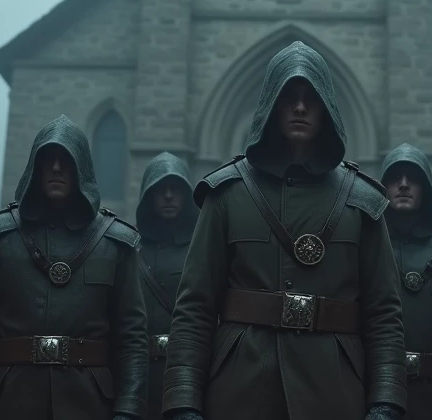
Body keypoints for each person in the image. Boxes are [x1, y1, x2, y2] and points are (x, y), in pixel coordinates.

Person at [161, 41, 407, 420]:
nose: (300, 107)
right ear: (270, 105)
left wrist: (386, 401)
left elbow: (384, 314)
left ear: (327, 108)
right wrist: (182, 402)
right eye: (288, 95)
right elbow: (194, 307)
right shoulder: (227, 194)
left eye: (311, 97)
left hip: (336, 392)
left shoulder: (363, 202)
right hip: (240, 389)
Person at [0, 115, 149, 420]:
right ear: (35, 166)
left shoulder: (116, 245)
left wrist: (129, 410)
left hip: (90, 406)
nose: (56, 167)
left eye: (66, 160)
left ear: (81, 168)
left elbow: (132, 339)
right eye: (48, 159)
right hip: (7, 404)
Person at [380, 143, 432, 419]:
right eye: (395, 178)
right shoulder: (365, 251)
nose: (403, 185)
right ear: (383, 187)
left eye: (413, 179)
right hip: (379, 394)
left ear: (425, 189)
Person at [133, 152, 199, 420]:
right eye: (160, 189)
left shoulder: (202, 249)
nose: (169, 196)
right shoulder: (129, 251)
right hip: (141, 375)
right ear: (148, 195)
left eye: (176, 189)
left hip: (189, 375)